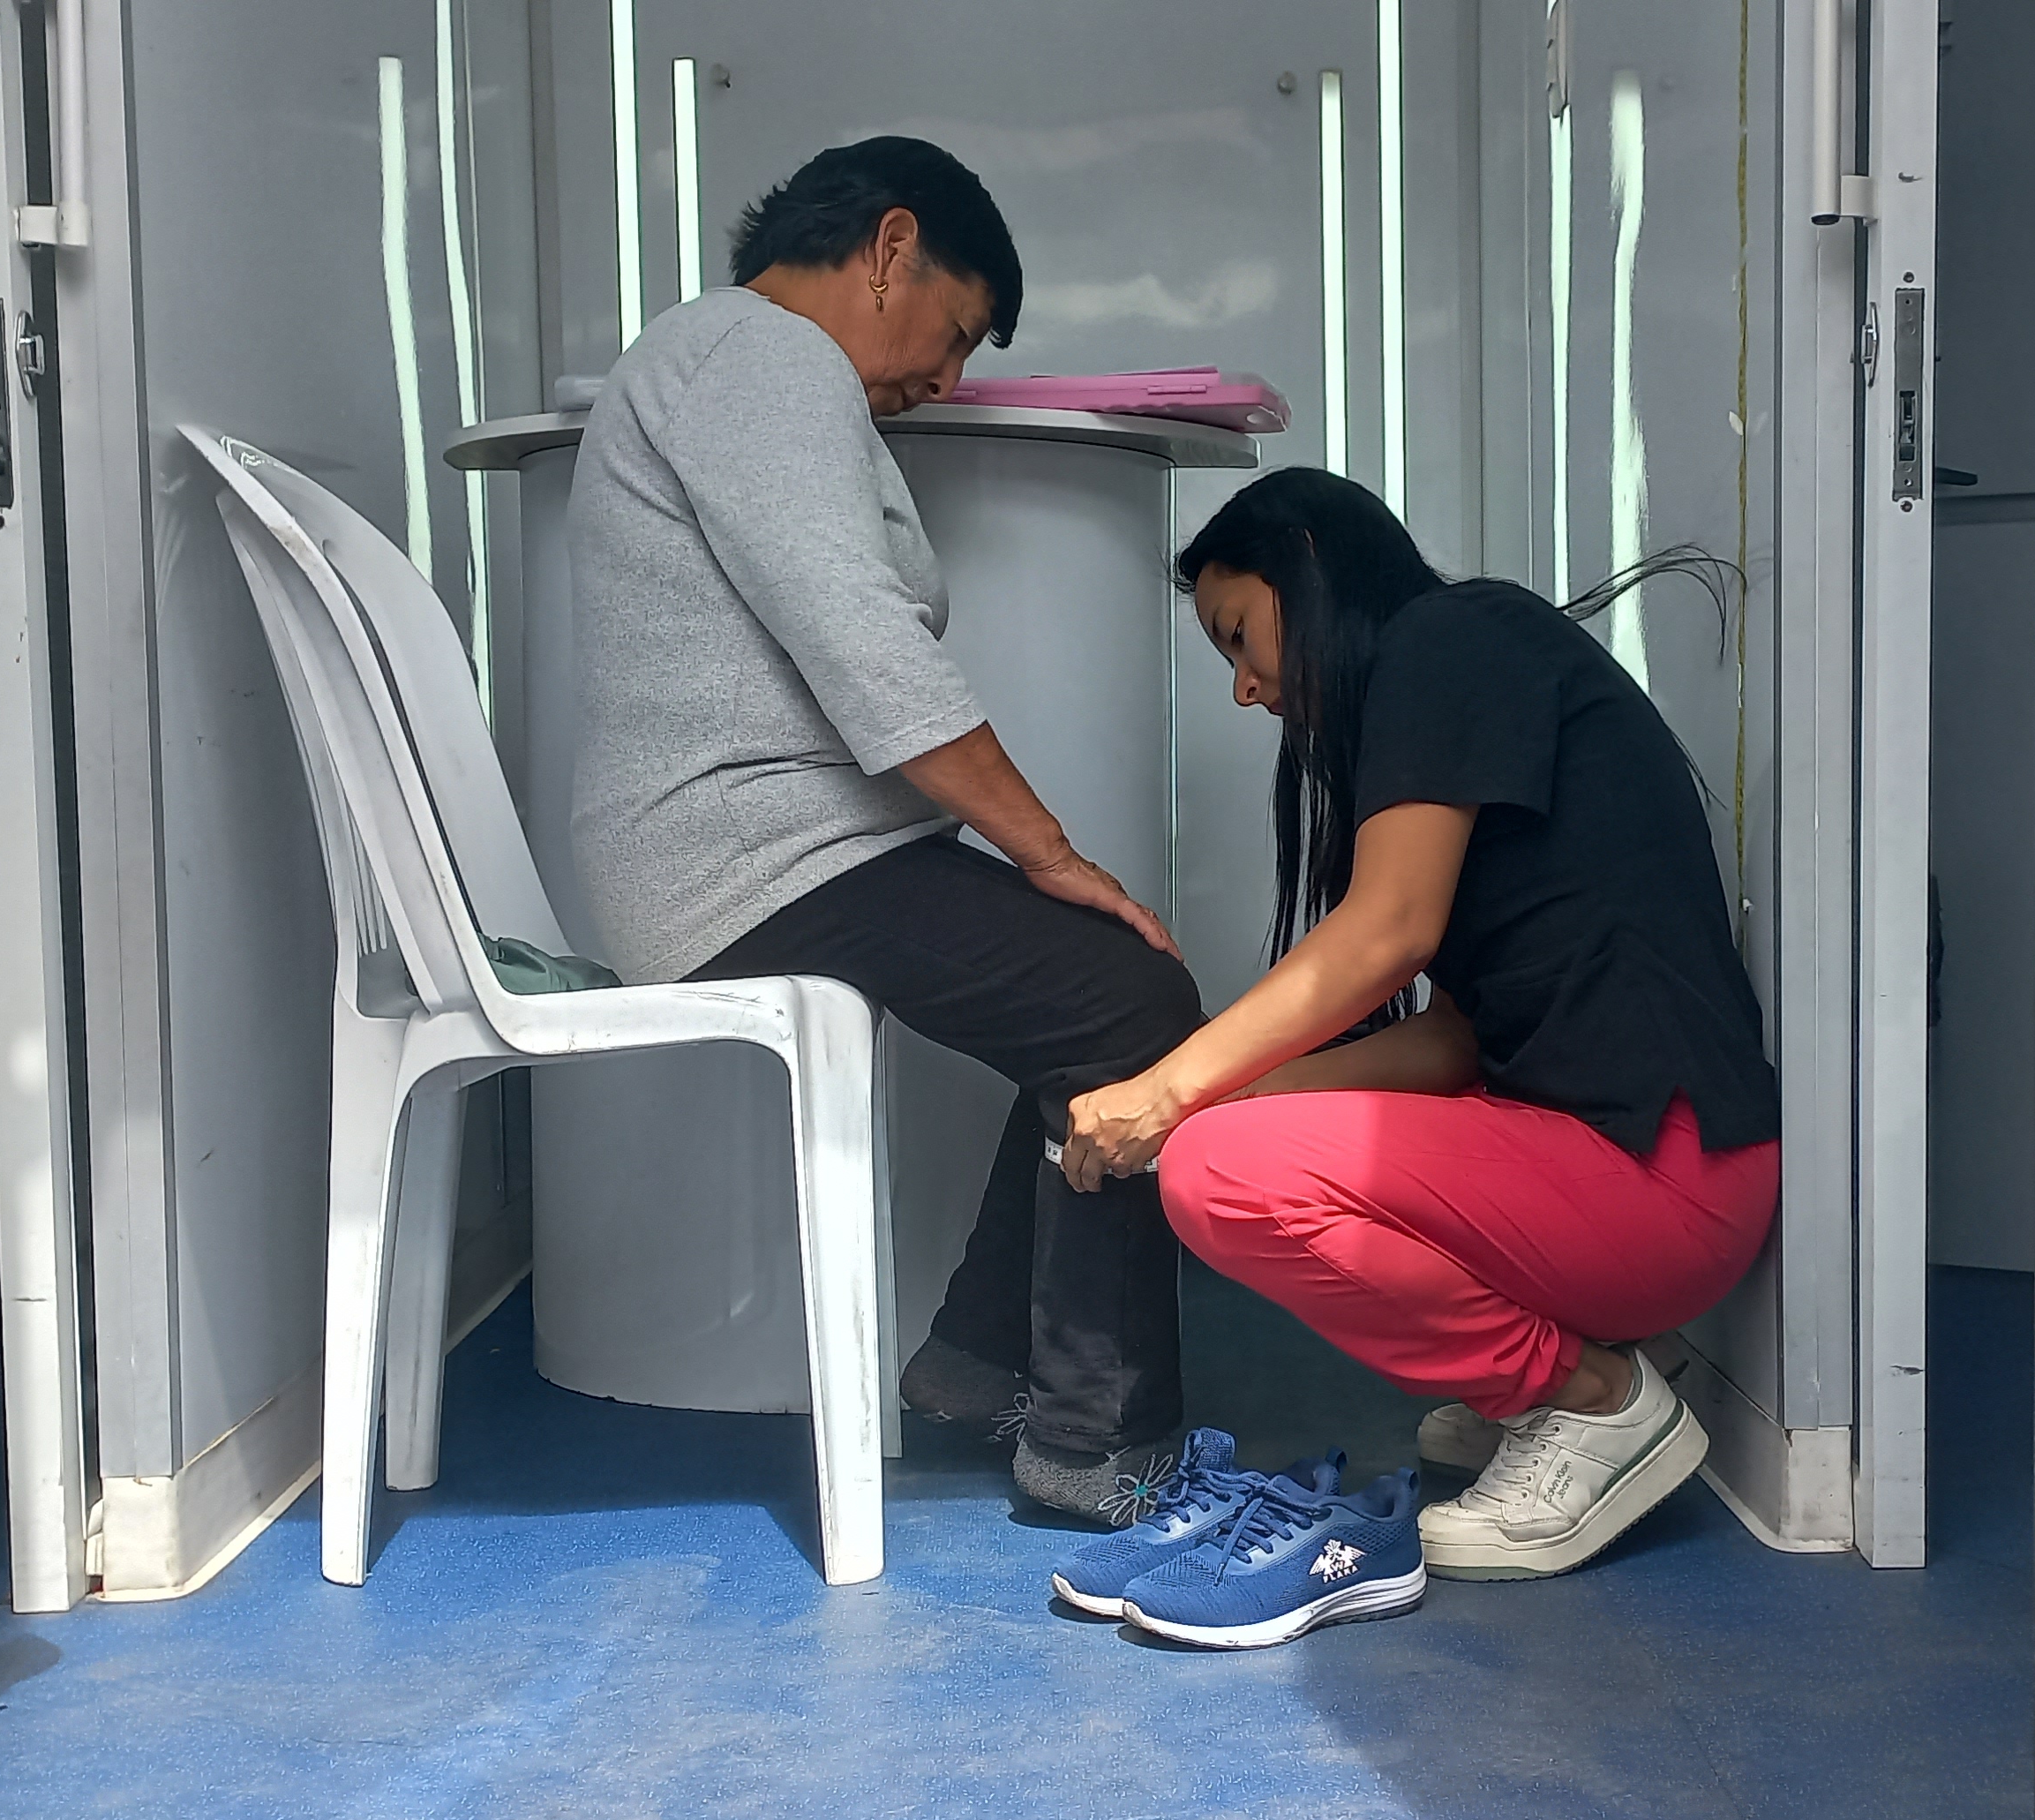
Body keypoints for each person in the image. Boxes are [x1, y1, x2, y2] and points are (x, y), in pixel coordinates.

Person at [567, 137, 1205, 1519]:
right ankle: (1094, 1445)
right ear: (890, 248)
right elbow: (861, 643)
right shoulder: (759, 353)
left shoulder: (729, 362)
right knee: (1127, 1001)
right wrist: (1050, 854)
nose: (949, 380)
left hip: (762, 851)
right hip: (747, 860)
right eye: (955, 332)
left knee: (1108, 996)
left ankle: (984, 1369)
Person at [1061, 469, 1782, 1582]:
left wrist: (1170, 1095)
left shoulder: (1445, 638)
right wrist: (1226, 1095)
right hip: (1657, 1180)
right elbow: (1452, 1041)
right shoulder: (1467, 664)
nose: (1244, 687)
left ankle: (1593, 1397)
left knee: (1217, 1177)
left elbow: (1387, 931)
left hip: (1664, 1178)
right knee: (1220, 1140)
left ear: (1307, 558)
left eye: (1239, 634)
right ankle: (1569, 1371)